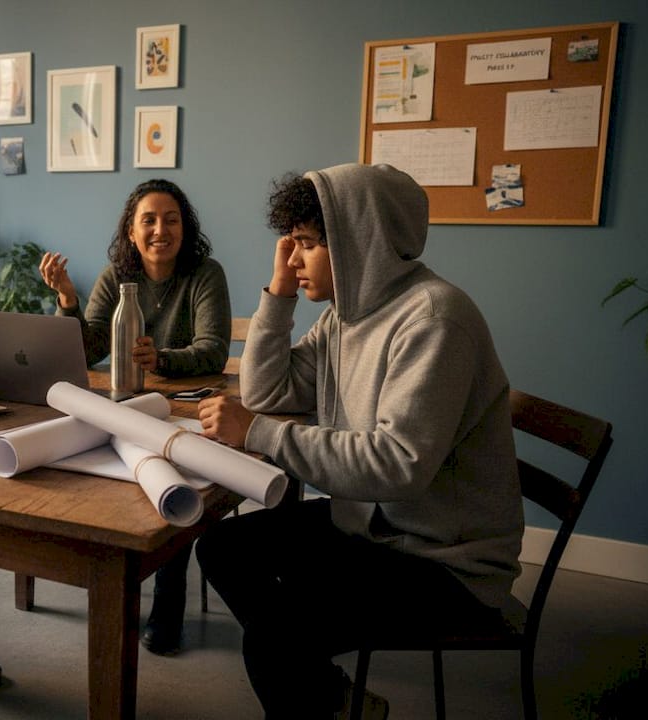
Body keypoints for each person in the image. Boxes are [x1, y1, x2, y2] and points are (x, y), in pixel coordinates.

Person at [194, 163, 523, 719]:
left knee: (274, 636)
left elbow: (397, 467)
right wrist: (278, 295)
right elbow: (266, 390)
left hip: (443, 559)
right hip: (374, 526)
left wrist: (258, 433)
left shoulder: (435, 319)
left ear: (356, 241)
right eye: (292, 243)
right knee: (220, 547)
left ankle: (313, 690)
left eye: (305, 244)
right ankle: (330, 697)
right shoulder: (345, 316)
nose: (293, 258)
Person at [39, 178, 231, 655]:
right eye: (148, 220)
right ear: (131, 230)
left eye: (171, 219)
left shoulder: (205, 274)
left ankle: (168, 600)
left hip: (186, 407)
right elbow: (89, 350)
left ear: (185, 228)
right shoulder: (114, 278)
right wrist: (66, 299)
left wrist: (161, 358)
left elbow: (213, 350)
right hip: (126, 403)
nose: (160, 229)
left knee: (175, 477)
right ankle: (113, 579)